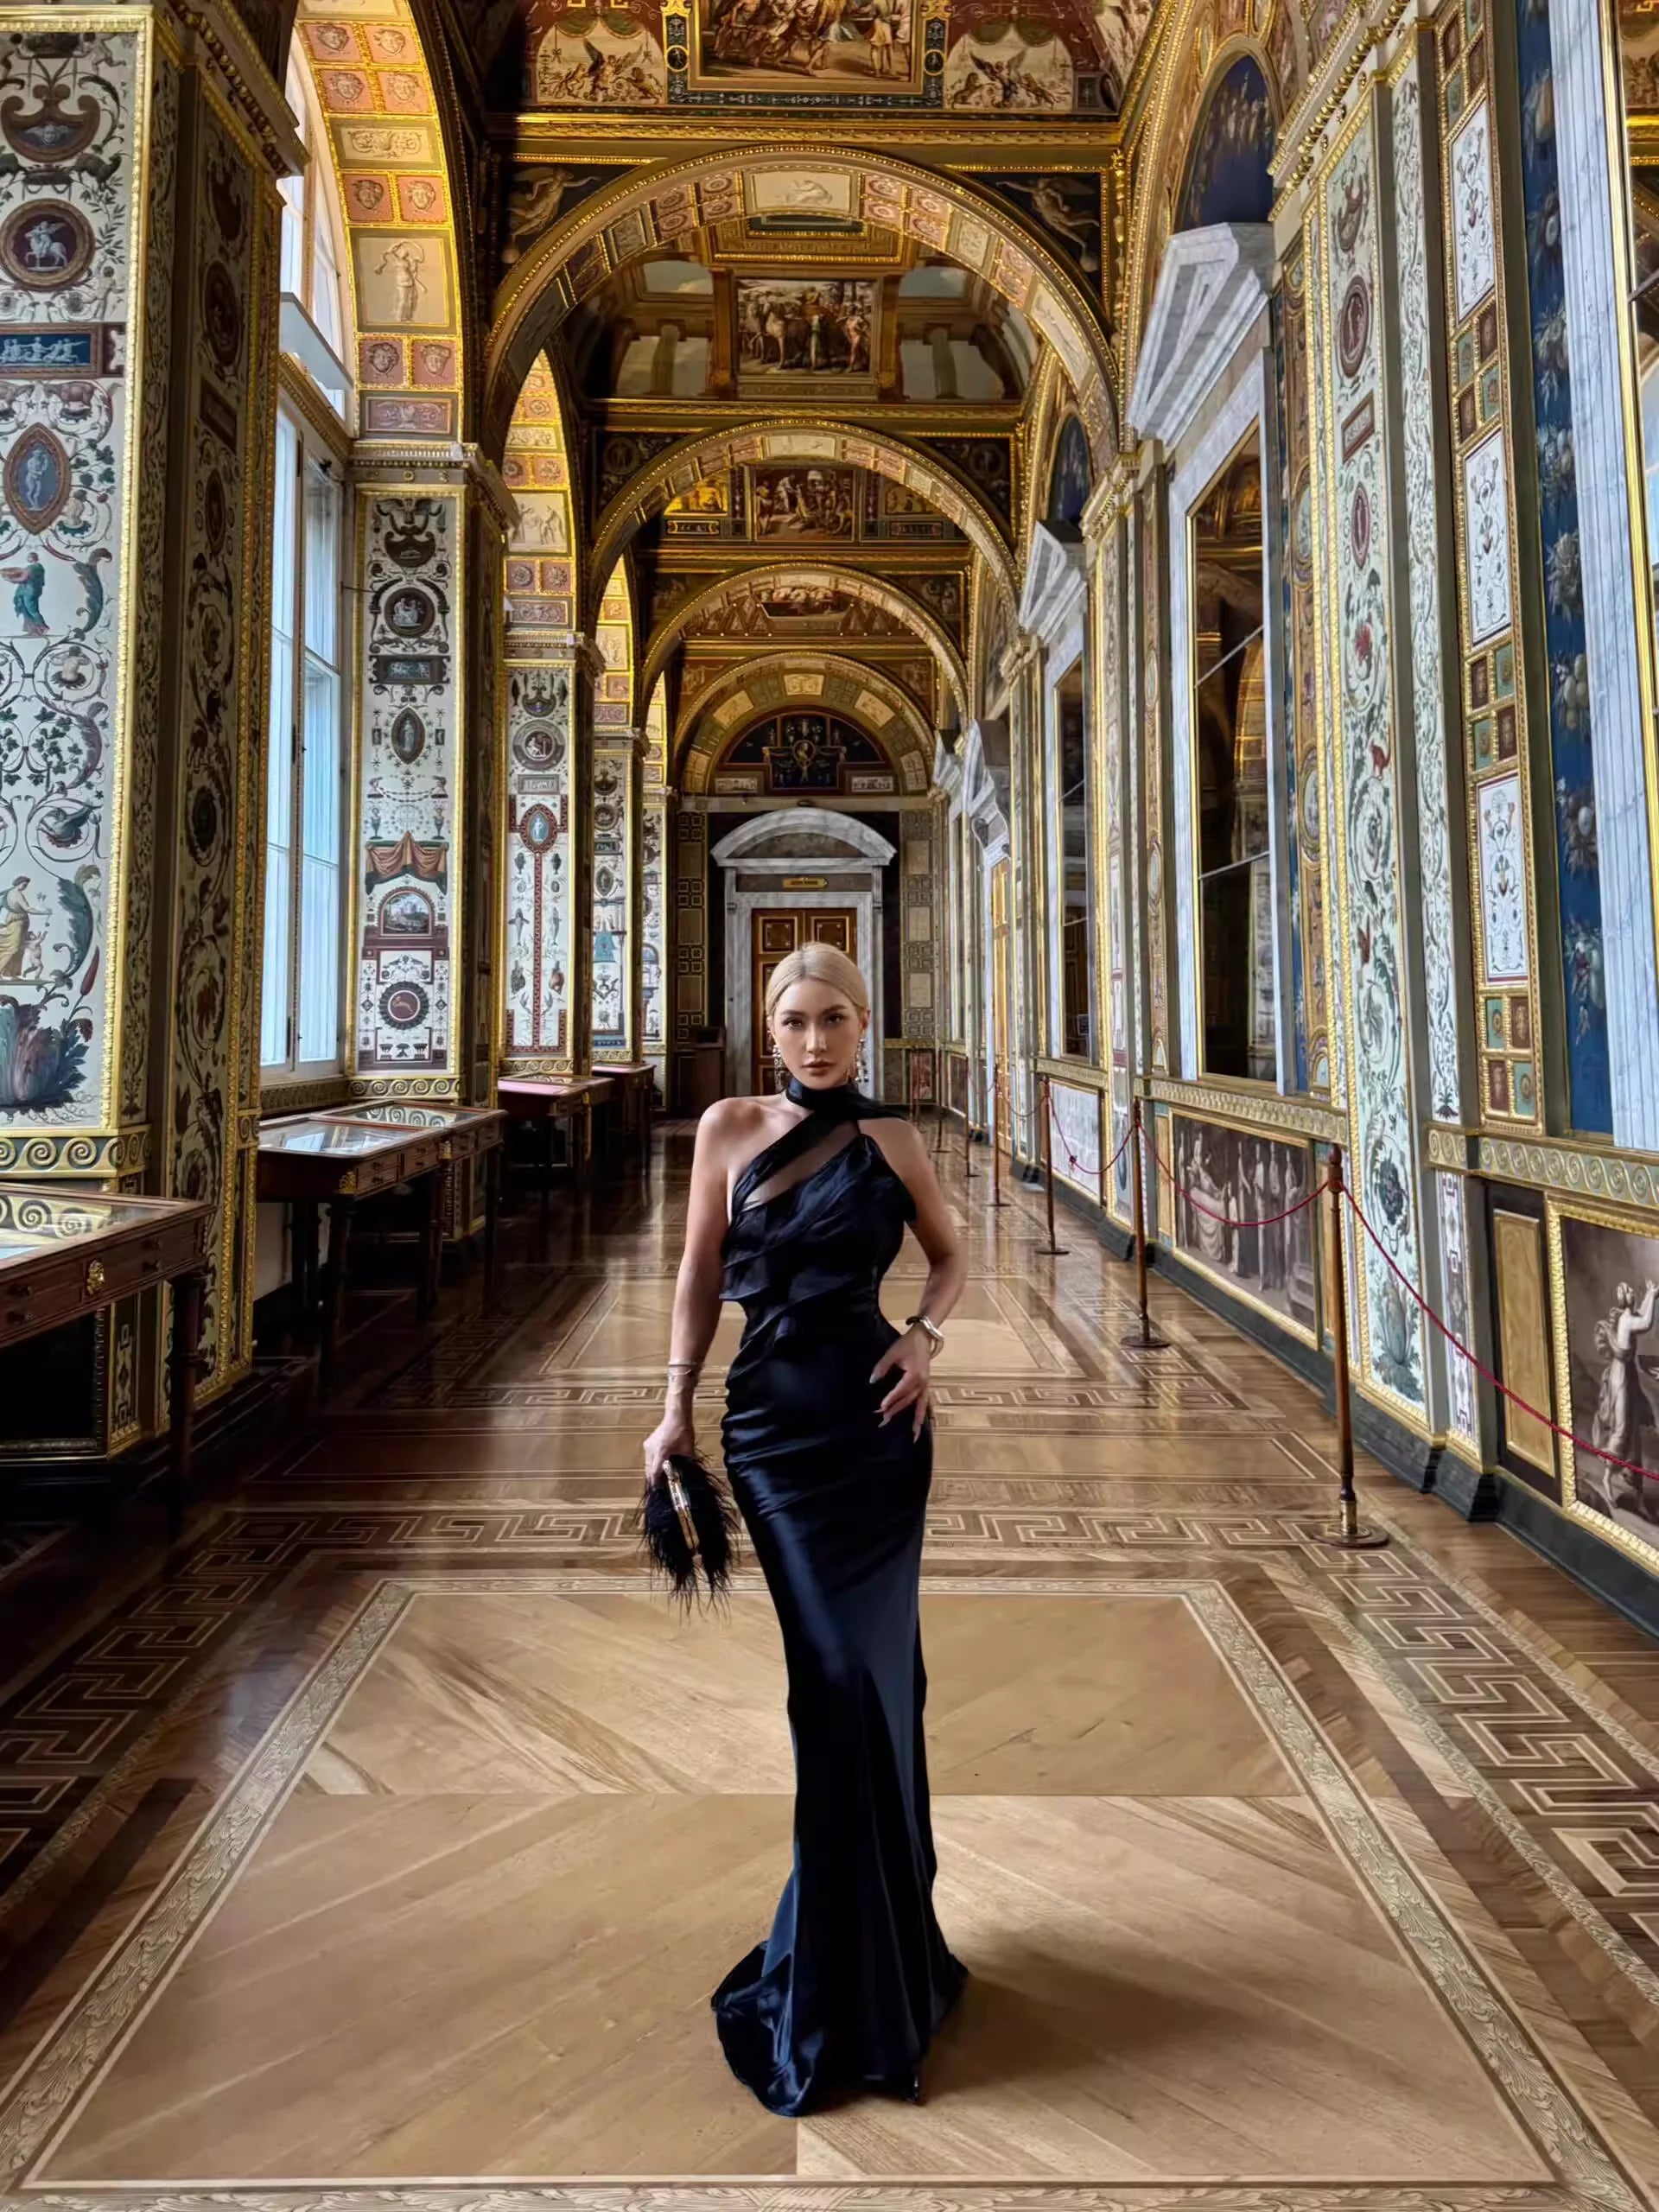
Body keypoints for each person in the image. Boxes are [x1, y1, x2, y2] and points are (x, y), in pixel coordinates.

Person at [643, 942, 969, 2113]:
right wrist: (674, 1407)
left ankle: (885, 1967)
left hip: (879, 1434)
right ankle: (836, 1975)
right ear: (768, 1027)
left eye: (835, 1019)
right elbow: (699, 1272)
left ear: (864, 1024)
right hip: (774, 1435)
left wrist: (924, 1339)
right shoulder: (728, 1128)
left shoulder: (894, 1139)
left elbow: (950, 1256)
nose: (815, 1040)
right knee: (828, 1687)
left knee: (882, 1684)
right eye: (795, 1021)